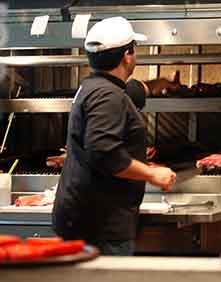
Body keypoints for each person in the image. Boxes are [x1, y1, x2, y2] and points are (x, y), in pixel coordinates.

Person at [52, 17, 176, 256]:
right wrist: (152, 174)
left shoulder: (96, 87)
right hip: (100, 225)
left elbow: (131, 92)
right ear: (127, 56)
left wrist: (161, 83)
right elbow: (103, 152)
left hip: (86, 218)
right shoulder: (107, 96)